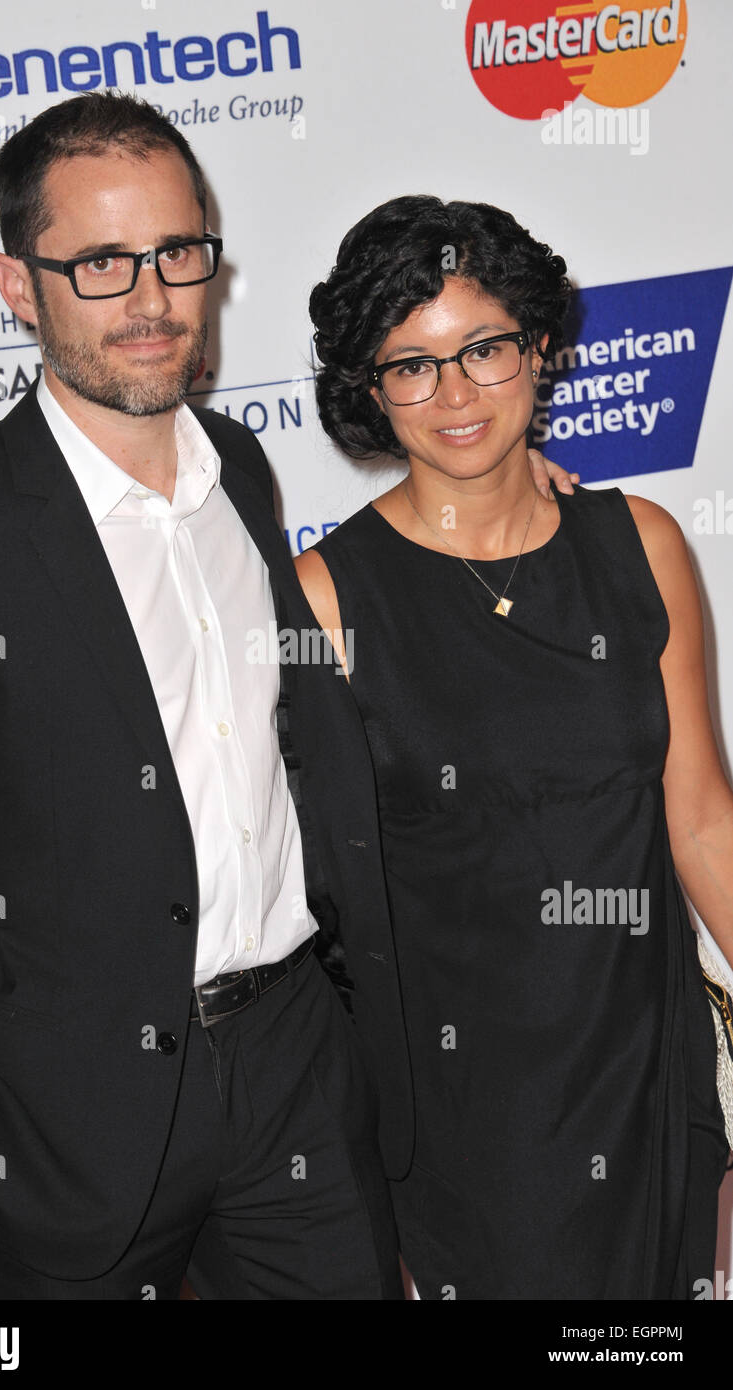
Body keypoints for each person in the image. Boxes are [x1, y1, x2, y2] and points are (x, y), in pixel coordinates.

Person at [0, 90, 426, 1301]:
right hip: (65, 1107)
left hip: (293, 1068)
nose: (151, 297)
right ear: (18, 284)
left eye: (177, 251)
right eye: (101, 263)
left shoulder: (245, 469)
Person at [287, 196, 733, 1300]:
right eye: (411, 365)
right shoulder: (324, 597)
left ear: (537, 346)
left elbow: (702, 820)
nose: (454, 396)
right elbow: (296, 883)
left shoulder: (641, 545)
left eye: (482, 349)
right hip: (465, 1104)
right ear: (368, 389)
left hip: (643, 1062)